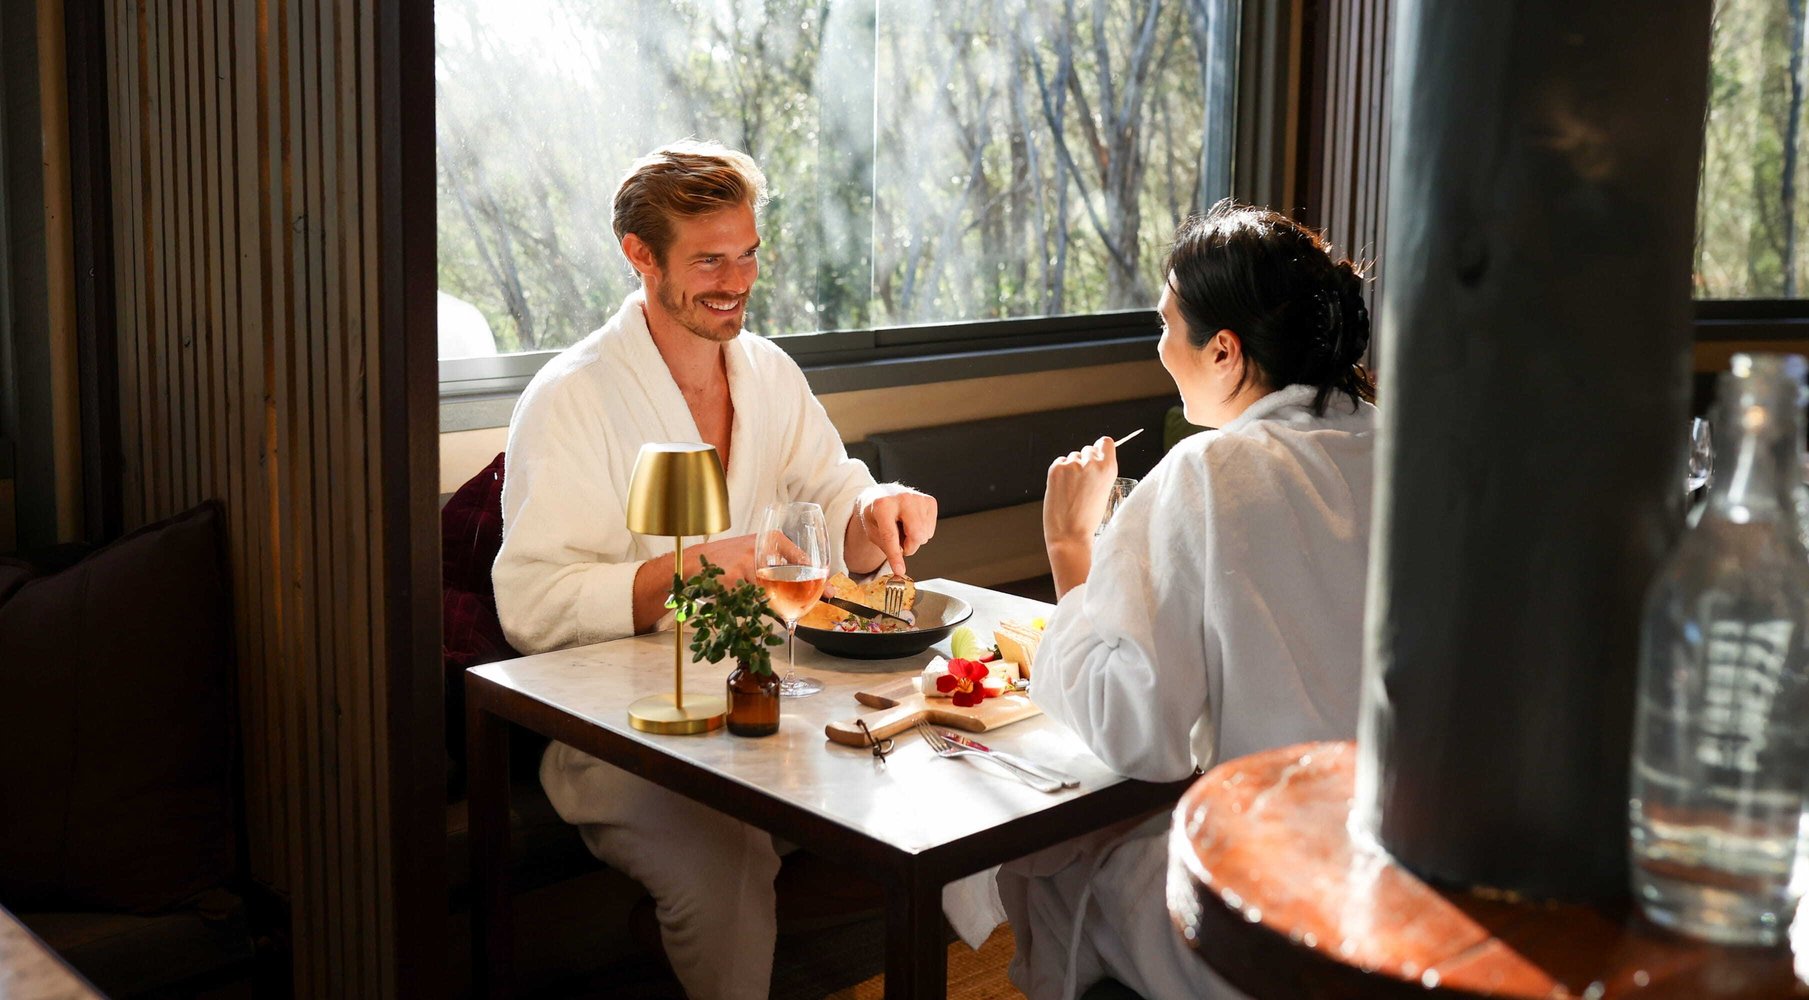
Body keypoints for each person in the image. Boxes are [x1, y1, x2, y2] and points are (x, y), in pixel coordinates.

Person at [493, 141, 938, 1000]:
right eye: (707, 260)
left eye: (747, 253)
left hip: (774, 687)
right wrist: (693, 566)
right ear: (639, 256)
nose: (735, 281)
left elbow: (831, 497)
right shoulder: (569, 396)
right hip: (624, 724)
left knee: (940, 772)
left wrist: (876, 508)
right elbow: (531, 603)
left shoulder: (768, 373)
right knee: (726, 857)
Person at [999, 201, 1379, 1000]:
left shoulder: (1207, 472)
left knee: (1055, 865)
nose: (1159, 347)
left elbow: (1137, 731)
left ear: (1223, 351)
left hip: (1276, 898)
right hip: (1404, 875)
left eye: (1166, 324)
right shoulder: (1405, 450)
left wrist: (1070, 546)